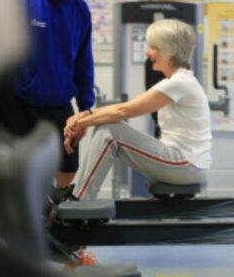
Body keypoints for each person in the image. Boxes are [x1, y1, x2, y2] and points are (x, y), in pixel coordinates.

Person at [62, 19, 212, 201]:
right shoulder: (180, 81)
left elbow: (123, 111)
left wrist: (79, 121)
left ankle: (77, 198)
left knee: (111, 130)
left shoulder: (179, 83)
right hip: (185, 163)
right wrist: (83, 117)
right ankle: (75, 192)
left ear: (169, 51)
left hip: (187, 165)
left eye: (153, 47)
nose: (148, 53)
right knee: (108, 128)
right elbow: (121, 110)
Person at [0, 0, 94, 191]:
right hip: (15, 100)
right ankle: (13, 222)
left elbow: (84, 61)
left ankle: (60, 213)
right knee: (13, 169)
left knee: (68, 165)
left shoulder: (80, 11)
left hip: (58, 103)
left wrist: (86, 108)